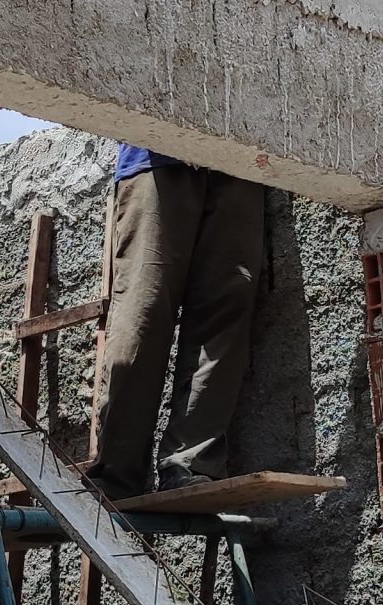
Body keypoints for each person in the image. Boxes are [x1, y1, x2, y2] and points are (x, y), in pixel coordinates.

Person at [85, 144, 266, 498]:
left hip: (243, 158)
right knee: (144, 310)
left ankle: (191, 461)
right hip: (155, 154)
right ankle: (117, 472)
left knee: (225, 311)